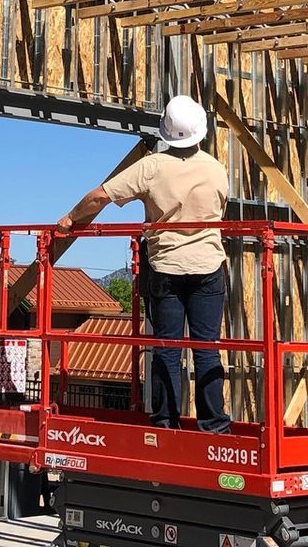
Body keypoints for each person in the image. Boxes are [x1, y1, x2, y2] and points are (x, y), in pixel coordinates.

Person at [60, 94, 230, 433]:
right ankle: (215, 426)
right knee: (206, 349)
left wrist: (69, 219)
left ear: (165, 131)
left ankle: (166, 423)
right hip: (209, 265)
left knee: (167, 348)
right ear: (200, 129)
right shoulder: (216, 168)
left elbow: (99, 196)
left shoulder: (152, 166)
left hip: (166, 265)